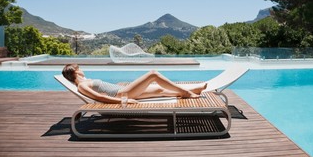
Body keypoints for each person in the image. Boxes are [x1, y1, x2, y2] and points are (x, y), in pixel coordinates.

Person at [62, 64, 207, 104]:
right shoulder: (82, 85)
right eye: (78, 68)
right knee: (153, 74)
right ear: (75, 72)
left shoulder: (85, 81)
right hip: (123, 93)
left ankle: (194, 89)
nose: (81, 69)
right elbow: (100, 98)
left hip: (124, 90)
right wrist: (124, 100)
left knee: (159, 90)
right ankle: (187, 93)